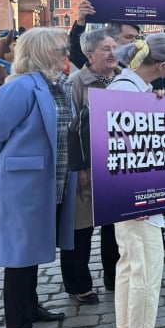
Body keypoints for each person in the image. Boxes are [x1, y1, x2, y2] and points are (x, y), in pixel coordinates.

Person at [0, 28, 78, 328]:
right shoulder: (20, 86)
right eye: (57, 48)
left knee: (34, 246)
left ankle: (31, 306)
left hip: (52, 179)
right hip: (22, 182)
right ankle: (19, 326)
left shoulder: (57, 85)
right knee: (20, 255)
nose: (63, 53)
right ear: (38, 51)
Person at [67, 0, 165, 258]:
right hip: (107, 172)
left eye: (136, 38)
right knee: (97, 231)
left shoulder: (130, 78)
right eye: (127, 38)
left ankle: (114, 273)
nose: (131, 43)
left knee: (124, 247)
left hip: (132, 184)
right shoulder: (120, 85)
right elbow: (116, 146)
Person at [108, 33, 165, 328]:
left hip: (132, 195)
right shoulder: (127, 92)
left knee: (129, 266)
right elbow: (124, 149)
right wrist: (136, 197)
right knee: (146, 268)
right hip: (137, 196)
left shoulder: (128, 87)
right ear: (163, 65)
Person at [64, 29, 119, 300]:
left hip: (118, 165)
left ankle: (114, 275)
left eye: (114, 48)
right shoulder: (76, 82)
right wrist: (79, 168)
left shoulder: (124, 79)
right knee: (81, 228)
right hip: (87, 166)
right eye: (106, 49)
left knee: (115, 225)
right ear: (89, 55)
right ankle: (78, 284)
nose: (112, 53)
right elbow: (69, 129)